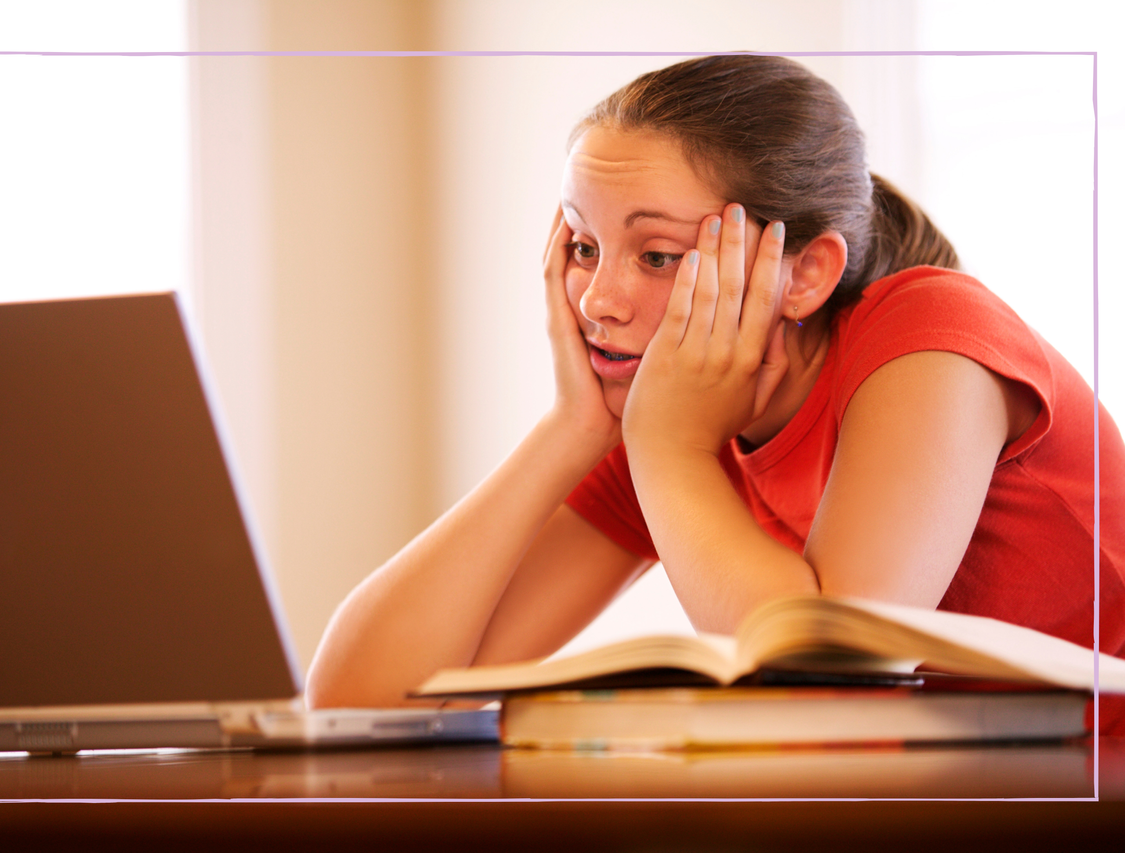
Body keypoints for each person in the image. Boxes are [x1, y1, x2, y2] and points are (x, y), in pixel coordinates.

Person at [304, 55, 1125, 732]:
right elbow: (359, 701)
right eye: (584, 245)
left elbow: (829, 677)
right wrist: (570, 429)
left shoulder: (930, 334)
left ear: (804, 274)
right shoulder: (671, 417)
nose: (597, 301)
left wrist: (668, 446)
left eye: (656, 255)